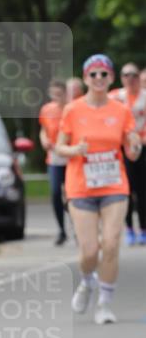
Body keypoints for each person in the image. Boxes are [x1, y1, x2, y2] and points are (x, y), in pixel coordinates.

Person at [56, 54, 141, 324]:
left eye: (104, 74)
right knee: (89, 251)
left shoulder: (121, 110)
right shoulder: (73, 110)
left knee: (112, 244)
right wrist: (74, 150)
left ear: (111, 78)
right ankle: (86, 281)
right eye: (93, 74)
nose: (98, 79)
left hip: (114, 183)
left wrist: (135, 144)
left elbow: (132, 152)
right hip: (81, 186)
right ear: (85, 78)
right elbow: (59, 146)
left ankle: (105, 303)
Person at [109, 62, 146, 245]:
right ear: (121, 78)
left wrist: (139, 140)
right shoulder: (115, 96)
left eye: (133, 75)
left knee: (142, 191)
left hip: (142, 148)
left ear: (139, 77)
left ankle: (144, 229)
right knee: (126, 190)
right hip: (121, 150)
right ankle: (129, 229)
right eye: (126, 75)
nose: (130, 79)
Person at [38, 79, 68, 245]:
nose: (56, 97)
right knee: (56, 193)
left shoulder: (71, 110)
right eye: (53, 94)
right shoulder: (47, 109)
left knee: (71, 195)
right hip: (54, 158)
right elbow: (43, 130)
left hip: (70, 158)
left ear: (65, 93)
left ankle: (79, 226)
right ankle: (61, 230)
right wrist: (43, 140)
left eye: (59, 94)